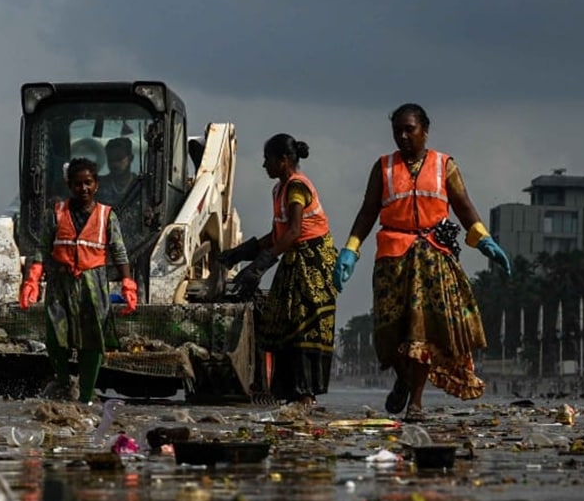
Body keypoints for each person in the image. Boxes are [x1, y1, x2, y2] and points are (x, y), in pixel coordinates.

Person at [333, 104, 511, 419]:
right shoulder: (383, 167)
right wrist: (350, 249)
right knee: (390, 335)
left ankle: (415, 401)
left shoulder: (445, 166)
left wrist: (483, 239)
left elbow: (464, 206)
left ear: (425, 130)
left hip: (433, 259)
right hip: (392, 261)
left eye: (409, 129)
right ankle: (403, 379)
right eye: (397, 130)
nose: (402, 136)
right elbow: (367, 212)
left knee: (422, 334)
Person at [217, 134, 338, 410]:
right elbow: (277, 234)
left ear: (283, 161)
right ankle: (292, 393)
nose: (263, 165)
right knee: (282, 321)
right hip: (295, 258)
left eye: (267, 159)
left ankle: (306, 394)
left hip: (313, 262)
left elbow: (294, 232)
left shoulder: (297, 188)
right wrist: (240, 253)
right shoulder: (279, 190)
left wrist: (259, 266)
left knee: (303, 324)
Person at [17, 157, 137, 403]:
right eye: (77, 184)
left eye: (88, 183)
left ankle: (86, 395)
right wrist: (32, 280)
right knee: (55, 337)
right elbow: (42, 248)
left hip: (93, 287)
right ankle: (62, 382)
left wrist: (128, 283)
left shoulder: (107, 216)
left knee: (92, 341)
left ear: (96, 185)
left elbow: (119, 251)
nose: (83, 189)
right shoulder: (55, 214)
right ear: (69, 185)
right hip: (61, 285)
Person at [96, 136, 138, 208]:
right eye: (111, 160)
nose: (115, 164)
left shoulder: (139, 185)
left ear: (131, 158)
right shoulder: (98, 186)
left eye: (119, 159)